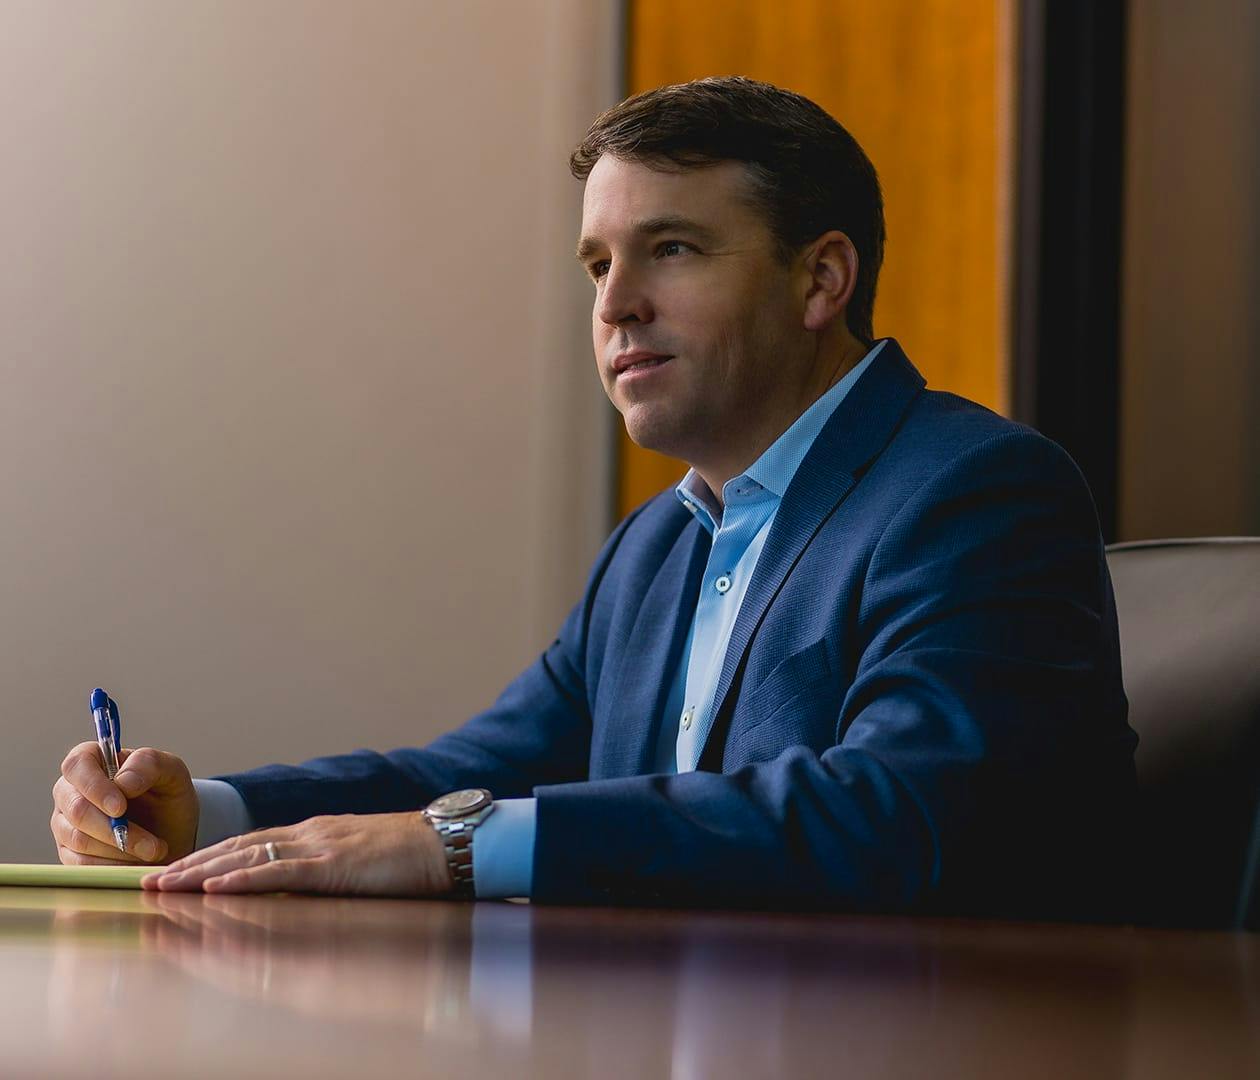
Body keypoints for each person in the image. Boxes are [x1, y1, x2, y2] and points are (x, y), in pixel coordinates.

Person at [50, 76, 1137, 919]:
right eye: (595, 265)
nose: (616, 305)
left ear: (822, 279)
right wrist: (216, 819)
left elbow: (902, 813)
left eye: (670, 249)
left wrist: (457, 848)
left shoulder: (977, 489)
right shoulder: (656, 543)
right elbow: (478, 771)